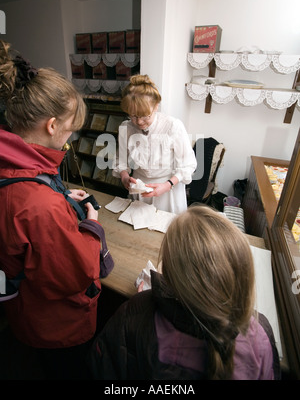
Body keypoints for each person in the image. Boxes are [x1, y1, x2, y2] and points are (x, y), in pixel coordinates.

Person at [0, 40, 104, 379]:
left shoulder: (16, 164)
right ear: (52, 126)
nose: (70, 138)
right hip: (55, 326)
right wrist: (92, 226)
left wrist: (59, 195)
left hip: (23, 312)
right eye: (70, 129)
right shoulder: (38, 204)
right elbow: (75, 273)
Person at [88, 205, 280, 380]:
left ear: (170, 273)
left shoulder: (134, 315)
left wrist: (141, 301)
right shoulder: (260, 334)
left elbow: (102, 366)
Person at [113, 74, 197, 214]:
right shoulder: (125, 128)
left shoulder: (173, 126)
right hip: (140, 189)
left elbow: (188, 165)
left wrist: (168, 185)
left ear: (156, 106)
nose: (139, 122)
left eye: (145, 116)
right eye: (133, 116)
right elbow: (120, 161)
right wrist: (124, 177)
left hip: (168, 191)